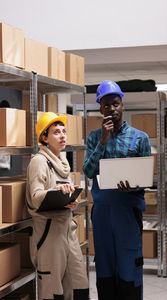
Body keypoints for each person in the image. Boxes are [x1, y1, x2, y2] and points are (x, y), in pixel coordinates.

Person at [83, 80, 151, 300]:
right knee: (104, 264)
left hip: (127, 211)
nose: (111, 109)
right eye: (106, 105)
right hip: (102, 213)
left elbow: (146, 177)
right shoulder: (94, 137)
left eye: (115, 104)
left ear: (122, 105)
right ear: (100, 108)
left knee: (129, 265)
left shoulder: (140, 138)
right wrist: (103, 140)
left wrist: (136, 185)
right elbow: (89, 171)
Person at [26, 112, 89, 300]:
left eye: (64, 131)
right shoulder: (39, 162)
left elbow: (58, 195)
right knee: (53, 291)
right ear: (44, 138)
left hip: (67, 231)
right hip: (49, 235)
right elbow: (36, 197)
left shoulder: (63, 162)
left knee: (79, 285)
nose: (62, 135)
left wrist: (69, 201)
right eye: (56, 132)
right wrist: (58, 192)